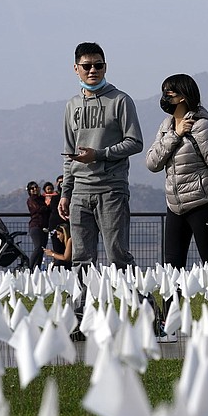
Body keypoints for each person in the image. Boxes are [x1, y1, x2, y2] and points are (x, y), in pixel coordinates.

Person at [145, 73, 208, 337]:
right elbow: (152, 163)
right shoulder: (166, 126)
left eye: (169, 94)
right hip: (175, 207)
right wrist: (174, 135)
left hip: (202, 204)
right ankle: (170, 324)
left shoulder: (203, 127)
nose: (164, 98)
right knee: (172, 267)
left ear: (183, 97)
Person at [58, 42, 143, 273]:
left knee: (119, 256)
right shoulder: (71, 106)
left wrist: (100, 155)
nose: (93, 70)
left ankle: (142, 306)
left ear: (106, 67)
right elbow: (69, 153)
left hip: (111, 189)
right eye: (87, 66)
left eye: (98, 65)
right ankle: (80, 308)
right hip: (79, 193)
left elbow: (135, 142)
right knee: (81, 259)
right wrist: (66, 192)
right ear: (76, 68)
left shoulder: (120, 101)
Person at [26, 180, 50, 271]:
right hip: (36, 226)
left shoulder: (42, 198)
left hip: (44, 226)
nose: (35, 189)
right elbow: (38, 209)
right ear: (29, 190)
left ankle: (37, 268)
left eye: (36, 187)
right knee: (38, 247)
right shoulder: (31, 200)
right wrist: (47, 206)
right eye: (32, 188)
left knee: (42, 249)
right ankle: (30, 267)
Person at [45, 175, 67, 267]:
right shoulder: (55, 199)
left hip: (61, 227)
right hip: (60, 227)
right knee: (61, 249)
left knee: (61, 249)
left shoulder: (54, 199)